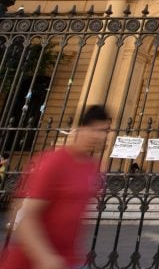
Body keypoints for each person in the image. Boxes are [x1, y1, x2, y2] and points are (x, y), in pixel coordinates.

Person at [0, 104, 111, 269]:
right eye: (95, 129)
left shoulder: (92, 167)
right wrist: (45, 257)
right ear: (79, 128)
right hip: (34, 260)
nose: (100, 136)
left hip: (67, 258)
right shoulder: (54, 162)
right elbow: (25, 217)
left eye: (105, 131)